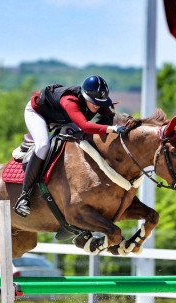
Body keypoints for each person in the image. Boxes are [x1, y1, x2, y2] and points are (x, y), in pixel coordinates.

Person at [14, 75, 127, 217]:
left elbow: (110, 118)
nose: (96, 106)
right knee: (43, 146)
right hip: (37, 113)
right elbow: (85, 125)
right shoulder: (70, 101)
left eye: (99, 103)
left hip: (62, 117)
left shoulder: (99, 102)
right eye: (93, 102)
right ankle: (24, 197)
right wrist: (112, 129)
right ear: (85, 96)